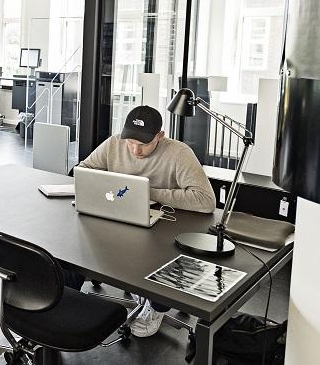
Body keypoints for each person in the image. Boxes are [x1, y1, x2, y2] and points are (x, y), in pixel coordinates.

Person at [74, 105, 216, 338]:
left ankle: (157, 307)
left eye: (143, 144)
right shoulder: (114, 143)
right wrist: (109, 186)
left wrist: (149, 192)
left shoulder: (179, 153)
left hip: (164, 227)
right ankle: (64, 300)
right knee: (77, 243)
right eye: (130, 142)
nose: (135, 150)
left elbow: (205, 200)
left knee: (160, 253)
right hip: (118, 219)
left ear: (160, 136)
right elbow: (82, 170)